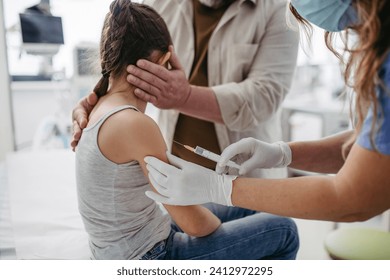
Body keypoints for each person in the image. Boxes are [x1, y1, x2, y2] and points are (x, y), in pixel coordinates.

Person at [75, 0, 298, 260]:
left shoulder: (100, 109)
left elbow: (264, 96)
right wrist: (227, 238)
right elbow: (197, 226)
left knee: (255, 209)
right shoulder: (136, 124)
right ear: (165, 61)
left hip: (127, 243)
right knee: (284, 229)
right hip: (149, 254)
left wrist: (184, 96)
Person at [144, 0, 390, 222]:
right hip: (182, 178)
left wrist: (220, 188)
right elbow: (366, 146)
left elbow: (352, 199)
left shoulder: (274, 9)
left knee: (282, 235)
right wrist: (283, 154)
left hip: (247, 187)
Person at [72, 0, 300, 180]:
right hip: (178, 172)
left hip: (246, 178)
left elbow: (262, 98)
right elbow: (126, 60)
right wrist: (101, 101)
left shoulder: (279, 11)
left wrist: (185, 97)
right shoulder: (161, 3)